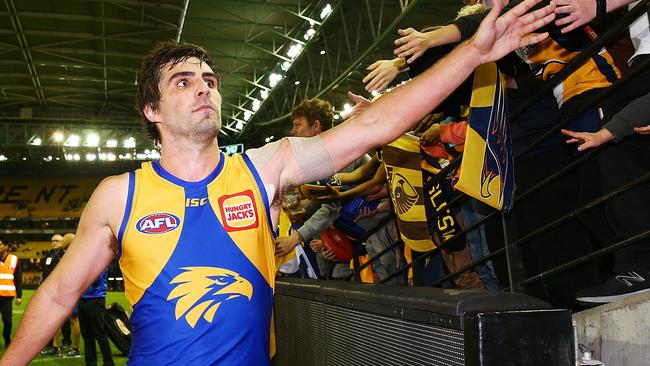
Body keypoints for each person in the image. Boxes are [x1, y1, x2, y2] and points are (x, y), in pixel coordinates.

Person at [0, 1, 556, 364]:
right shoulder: (118, 195)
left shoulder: (264, 168)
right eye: (184, 81)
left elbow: (374, 125)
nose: (205, 89)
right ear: (152, 109)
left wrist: (471, 53)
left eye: (211, 80)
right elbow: (56, 293)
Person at [78, 268, 114, 366]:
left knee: (99, 333)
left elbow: (95, 278)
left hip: (95, 299)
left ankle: (108, 362)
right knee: (87, 335)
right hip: (82, 299)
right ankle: (90, 363)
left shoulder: (100, 259)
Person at [0, 239, 21, 349]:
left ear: (6, 246)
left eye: (0, 244)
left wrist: (19, 296)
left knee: (7, 321)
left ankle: (7, 338)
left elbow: (18, 279)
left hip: (7, 297)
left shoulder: (14, 259)